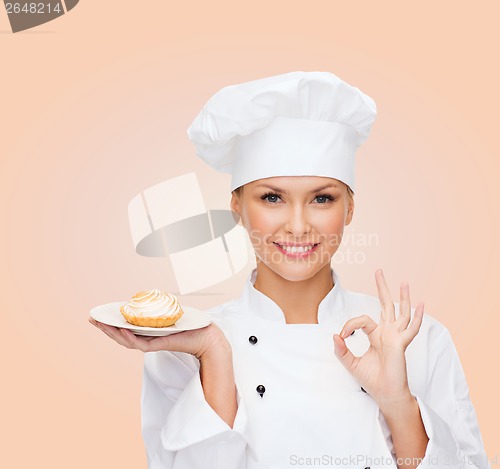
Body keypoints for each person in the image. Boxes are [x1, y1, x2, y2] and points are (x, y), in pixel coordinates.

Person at [89, 71, 490, 469]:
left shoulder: (418, 341)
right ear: (237, 209)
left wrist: (397, 403)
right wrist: (215, 354)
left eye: (321, 198)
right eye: (272, 198)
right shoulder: (184, 350)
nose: (298, 226)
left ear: (349, 209)